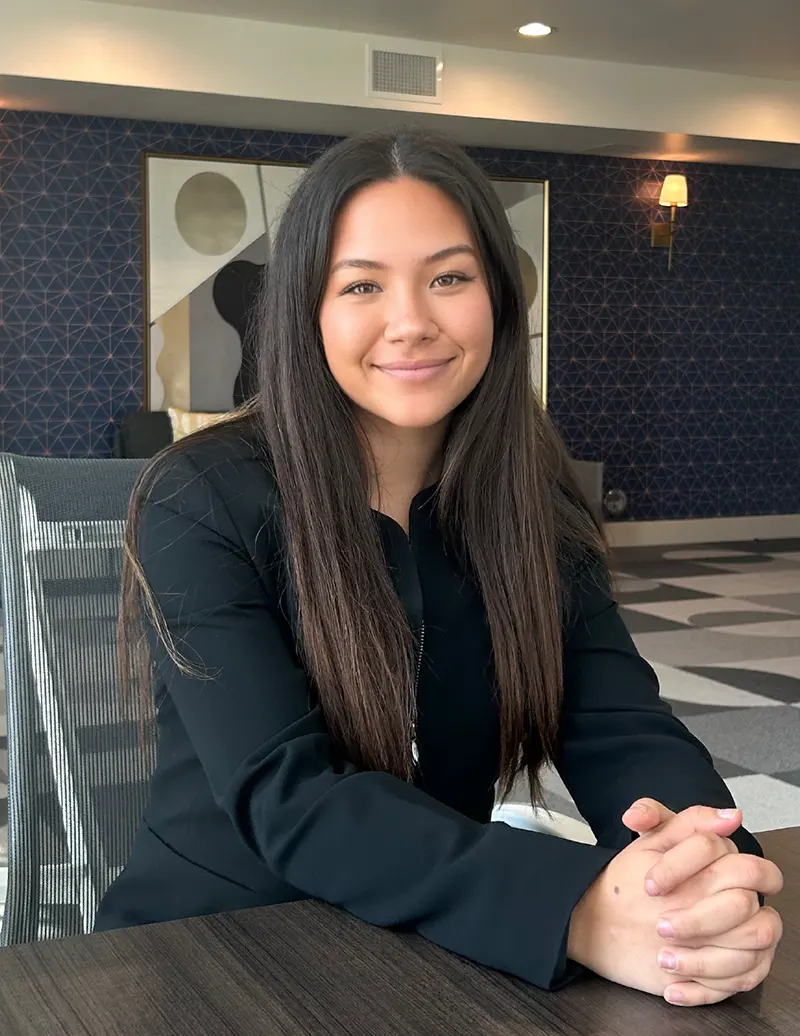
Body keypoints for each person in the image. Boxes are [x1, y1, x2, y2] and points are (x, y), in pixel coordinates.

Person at [97, 129, 783, 1007]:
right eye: (361, 285)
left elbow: (618, 723)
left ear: (497, 295)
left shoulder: (530, 493)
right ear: (306, 311)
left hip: (436, 936)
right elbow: (288, 795)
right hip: (218, 945)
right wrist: (575, 911)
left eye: (449, 278)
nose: (412, 320)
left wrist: (701, 867)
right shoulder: (202, 494)